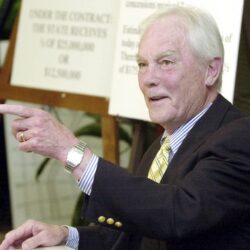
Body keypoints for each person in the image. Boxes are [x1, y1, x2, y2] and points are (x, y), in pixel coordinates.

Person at [0, 5, 250, 250]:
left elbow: (176, 215)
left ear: (211, 70)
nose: (149, 79)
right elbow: (135, 232)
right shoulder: (162, 146)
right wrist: (66, 236)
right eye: (142, 64)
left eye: (166, 62)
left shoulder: (239, 137)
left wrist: (72, 153)